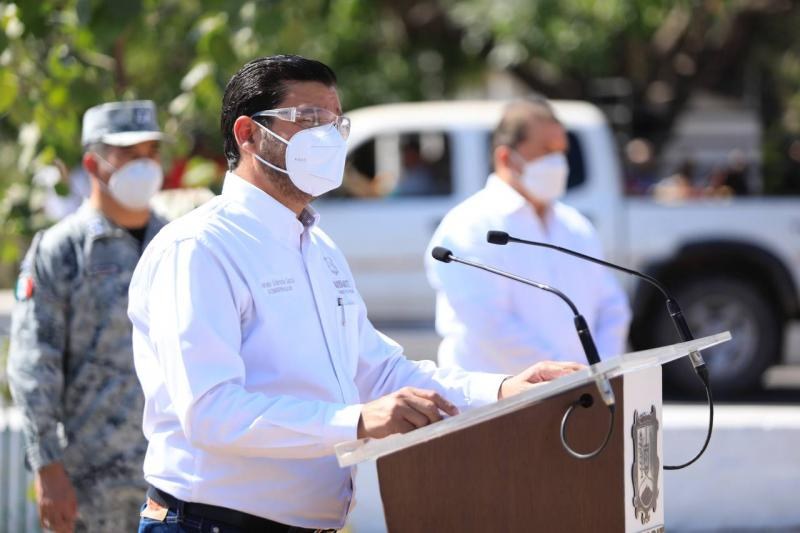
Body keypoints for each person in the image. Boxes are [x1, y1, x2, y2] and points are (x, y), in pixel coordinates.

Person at [128, 55, 583, 533]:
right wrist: (357, 422)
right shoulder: (199, 248)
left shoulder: (317, 247)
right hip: (208, 523)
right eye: (309, 119)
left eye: (336, 122)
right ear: (249, 134)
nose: (328, 136)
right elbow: (211, 412)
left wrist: (503, 390)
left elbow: (381, 372)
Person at [7, 100, 167, 532]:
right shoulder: (62, 250)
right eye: (130, 154)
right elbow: (32, 365)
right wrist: (47, 466)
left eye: (152, 152)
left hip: (171, 480)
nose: (145, 164)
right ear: (94, 164)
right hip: (89, 483)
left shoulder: (175, 242)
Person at [426, 97, 631, 375]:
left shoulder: (575, 225)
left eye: (561, 151)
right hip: (498, 394)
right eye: (546, 151)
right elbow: (488, 323)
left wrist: (599, 366)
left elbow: (612, 306)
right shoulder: (469, 225)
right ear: (506, 158)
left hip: (581, 389)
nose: (558, 162)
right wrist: (567, 374)